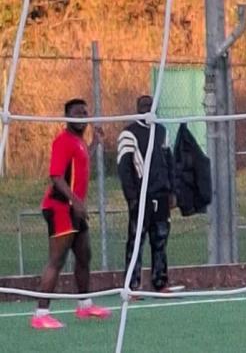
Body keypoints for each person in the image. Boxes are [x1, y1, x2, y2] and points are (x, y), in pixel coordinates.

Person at [31, 98, 111, 329]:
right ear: (67, 117)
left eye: (84, 113)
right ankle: (41, 313)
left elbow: (82, 157)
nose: (82, 117)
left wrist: (95, 143)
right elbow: (56, 176)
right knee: (57, 260)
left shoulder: (78, 142)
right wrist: (75, 202)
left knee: (84, 255)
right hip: (60, 208)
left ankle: (85, 305)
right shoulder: (62, 141)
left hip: (75, 209)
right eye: (76, 114)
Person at [117, 95, 176, 294]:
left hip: (161, 196)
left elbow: (169, 162)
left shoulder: (161, 131)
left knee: (160, 239)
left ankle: (160, 283)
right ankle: (132, 285)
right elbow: (124, 168)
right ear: (137, 108)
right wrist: (132, 197)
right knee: (136, 241)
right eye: (143, 106)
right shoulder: (128, 133)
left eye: (150, 106)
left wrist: (172, 191)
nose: (147, 109)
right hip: (140, 198)